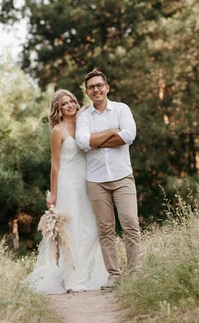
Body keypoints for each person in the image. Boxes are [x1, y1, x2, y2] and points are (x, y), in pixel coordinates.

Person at [24, 89, 108, 294]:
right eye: (64, 103)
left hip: (87, 182)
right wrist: (53, 194)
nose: (70, 105)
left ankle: (85, 273)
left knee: (93, 229)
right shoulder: (57, 131)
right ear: (58, 109)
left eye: (72, 101)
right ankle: (73, 279)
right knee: (72, 232)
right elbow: (55, 165)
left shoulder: (83, 123)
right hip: (67, 184)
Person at [75, 70, 142, 289]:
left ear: (107, 87)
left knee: (131, 224)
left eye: (99, 85)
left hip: (122, 176)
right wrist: (113, 132)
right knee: (105, 229)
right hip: (96, 180)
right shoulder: (84, 116)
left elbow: (129, 135)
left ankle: (135, 272)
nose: (96, 89)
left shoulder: (121, 109)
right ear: (87, 92)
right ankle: (114, 275)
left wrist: (97, 141)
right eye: (92, 87)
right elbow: (83, 142)